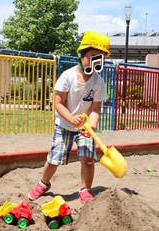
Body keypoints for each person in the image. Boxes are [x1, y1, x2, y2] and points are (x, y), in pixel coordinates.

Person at [28, 31, 110, 204]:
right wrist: (71, 118)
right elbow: (58, 104)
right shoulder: (67, 76)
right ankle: (44, 183)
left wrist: (92, 126)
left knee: (88, 158)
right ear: (81, 54)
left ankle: (85, 189)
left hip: (85, 128)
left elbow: (96, 109)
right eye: (93, 57)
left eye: (100, 59)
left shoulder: (98, 82)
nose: (96, 62)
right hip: (64, 124)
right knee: (54, 158)